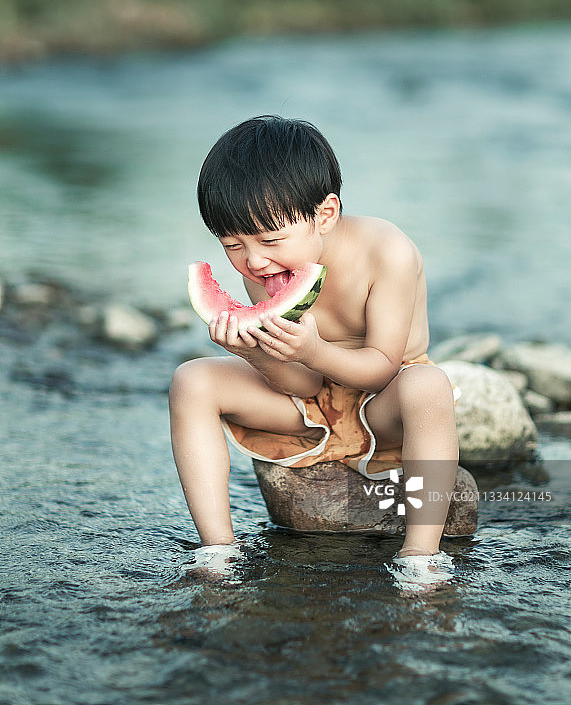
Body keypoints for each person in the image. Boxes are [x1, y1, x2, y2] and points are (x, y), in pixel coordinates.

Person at [169, 115, 459, 569]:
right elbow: (302, 385)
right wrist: (251, 352)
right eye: (231, 245)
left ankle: (421, 556)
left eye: (270, 240)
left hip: (383, 401)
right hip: (307, 406)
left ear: (325, 214)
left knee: (430, 386)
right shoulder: (267, 268)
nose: (254, 261)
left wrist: (315, 351)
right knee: (192, 380)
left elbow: (383, 365)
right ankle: (217, 549)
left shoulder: (387, 251)